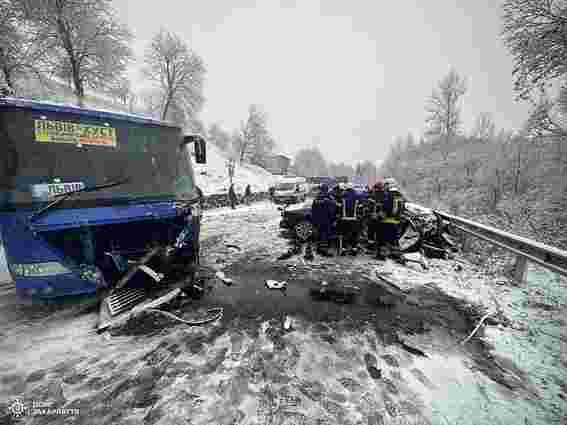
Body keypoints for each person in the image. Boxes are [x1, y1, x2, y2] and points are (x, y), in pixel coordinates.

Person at [380, 180, 406, 263]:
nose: (384, 187)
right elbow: (403, 207)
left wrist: (380, 214)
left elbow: (386, 207)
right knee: (394, 240)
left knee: (384, 239)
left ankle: (382, 255)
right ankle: (397, 255)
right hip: (397, 222)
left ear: (389, 185)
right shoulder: (400, 195)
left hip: (387, 220)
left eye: (386, 185)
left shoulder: (389, 195)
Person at [311, 183, 337, 257]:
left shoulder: (317, 198)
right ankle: (324, 251)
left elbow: (313, 210)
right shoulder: (328, 198)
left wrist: (314, 220)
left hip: (318, 220)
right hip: (326, 220)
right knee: (325, 236)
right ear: (326, 189)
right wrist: (333, 219)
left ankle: (319, 249)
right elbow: (332, 210)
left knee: (319, 235)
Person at [337, 183, 363, 255]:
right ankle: (354, 250)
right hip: (354, 220)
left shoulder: (342, 196)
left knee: (344, 235)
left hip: (344, 219)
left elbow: (339, 207)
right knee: (354, 235)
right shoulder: (357, 196)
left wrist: (339, 215)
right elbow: (360, 207)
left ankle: (344, 250)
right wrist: (359, 216)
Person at [367, 181, 386, 252]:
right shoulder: (385, 195)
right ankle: (379, 248)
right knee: (380, 233)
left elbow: (369, 204)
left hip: (373, 216)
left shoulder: (373, 194)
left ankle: (370, 247)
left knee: (371, 232)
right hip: (381, 217)